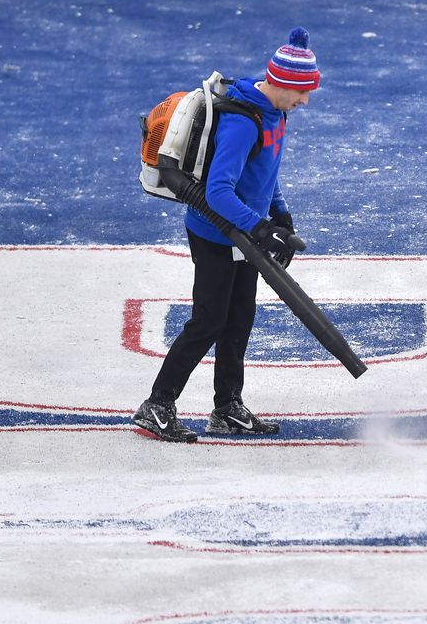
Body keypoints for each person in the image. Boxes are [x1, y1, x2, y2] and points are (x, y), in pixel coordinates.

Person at [131, 28, 320, 443]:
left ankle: (227, 407)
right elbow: (216, 193)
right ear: (285, 84)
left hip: (245, 233)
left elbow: (266, 171)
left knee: (240, 319)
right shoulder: (243, 123)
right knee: (209, 321)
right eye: (302, 92)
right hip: (216, 234)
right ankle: (157, 404)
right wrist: (258, 227)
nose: (305, 101)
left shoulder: (276, 113)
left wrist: (279, 214)